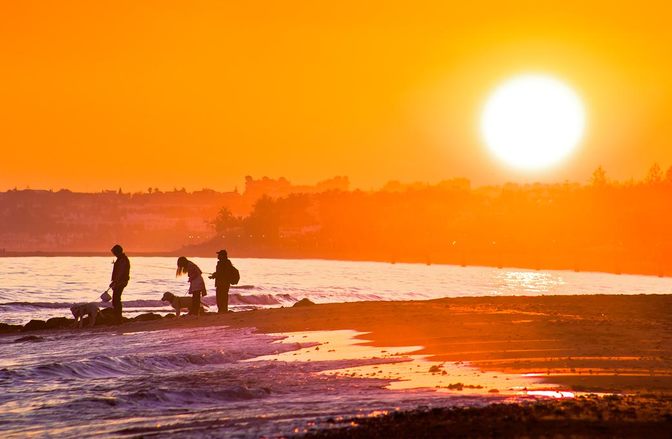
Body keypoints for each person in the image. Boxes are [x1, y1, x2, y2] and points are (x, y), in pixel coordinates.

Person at [109, 244, 130, 324]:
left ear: (117, 252)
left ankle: (118, 319)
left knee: (116, 300)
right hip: (119, 282)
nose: (113, 254)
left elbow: (121, 272)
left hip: (121, 282)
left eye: (114, 252)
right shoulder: (121, 259)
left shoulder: (122, 260)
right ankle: (118, 318)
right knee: (116, 300)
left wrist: (115, 282)